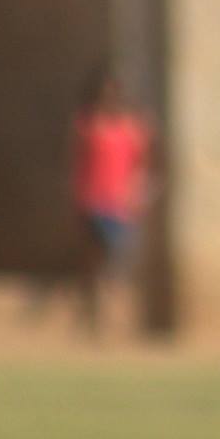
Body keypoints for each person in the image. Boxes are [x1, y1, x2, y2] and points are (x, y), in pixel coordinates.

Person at [70, 72, 157, 339]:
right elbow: (77, 163)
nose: (111, 99)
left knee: (118, 263)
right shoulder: (88, 126)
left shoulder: (135, 129)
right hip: (94, 201)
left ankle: (118, 323)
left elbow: (145, 166)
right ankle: (97, 322)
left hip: (122, 205)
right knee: (98, 262)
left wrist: (142, 193)